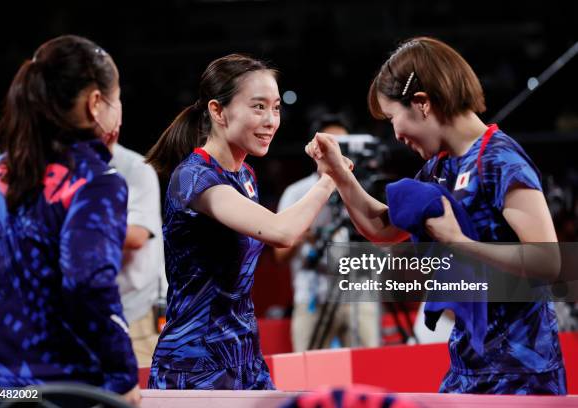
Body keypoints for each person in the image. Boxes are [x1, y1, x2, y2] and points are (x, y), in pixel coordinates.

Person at [305, 37, 565, 395]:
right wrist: (338, 172)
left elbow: (548, 261)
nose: (396, 134)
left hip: (521, 373)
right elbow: (382, 229)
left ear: (422, 103)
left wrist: (460, 243)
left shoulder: (501, 161)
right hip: (466, 366)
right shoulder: (439, 167)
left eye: (393, 117)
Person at [146, 54, 348, 390]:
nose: (271, 120)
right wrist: (329, 178)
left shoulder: (246, 175)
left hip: (244, 354)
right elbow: (281, 232)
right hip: (196, 362)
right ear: (218, 111)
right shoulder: (194, 177)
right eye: (258, 107)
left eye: (276, 108)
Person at [0, 35, 140, 404]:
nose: (120, 110)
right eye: (118, 98)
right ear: (96, 103)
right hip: (65, 394)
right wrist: (123, 376)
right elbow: (87, 283)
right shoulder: (96, 181)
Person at [275, 113, 380, 351]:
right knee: (307, 379)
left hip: (358, 295)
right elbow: (280, 255)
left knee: (371, 375)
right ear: (315, 148)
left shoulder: (363, 191)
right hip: (313, 296)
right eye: (330, 144)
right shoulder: (296, 192)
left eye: (342, 144)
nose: (337, 151)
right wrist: (305, 231)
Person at [109, 142, 166, 367]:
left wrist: (74, 226)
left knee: (139, 398)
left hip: (136, 312)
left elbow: (136, 236)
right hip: (86, 314)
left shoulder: (133, 167)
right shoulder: (62, 167)